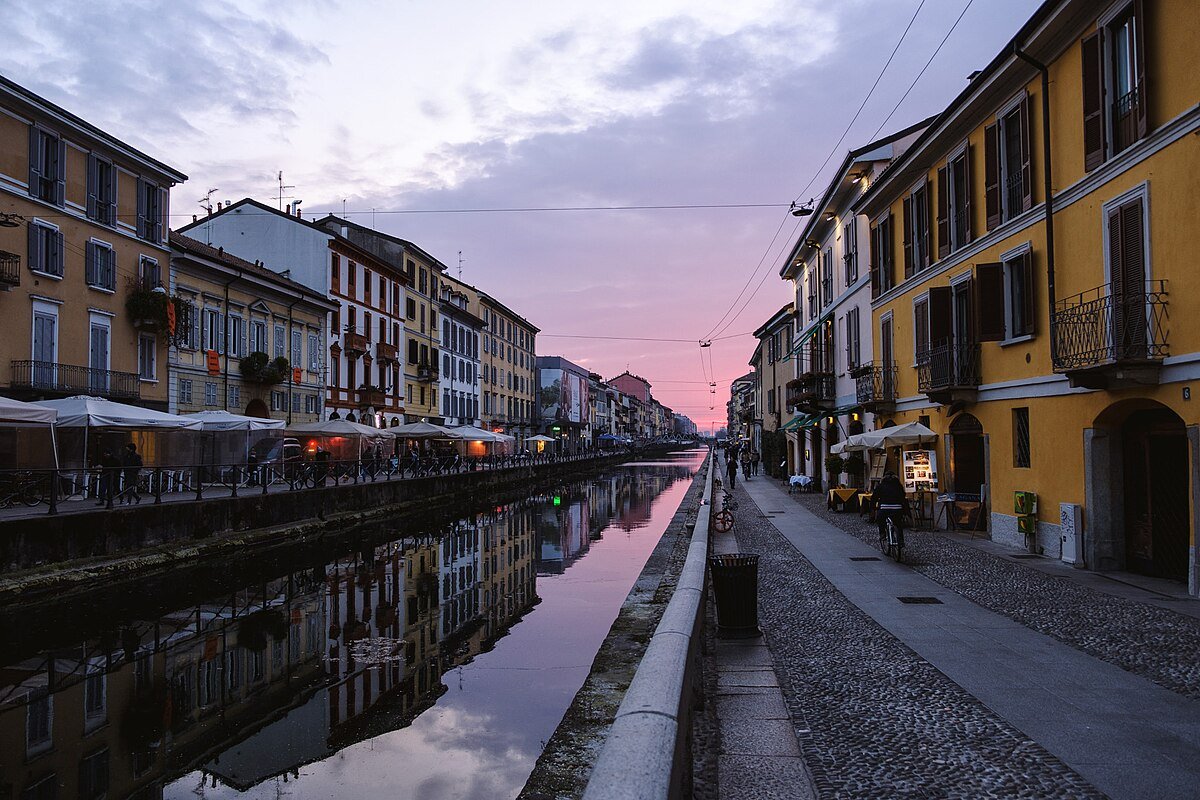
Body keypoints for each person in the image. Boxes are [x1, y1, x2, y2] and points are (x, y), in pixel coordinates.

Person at [873, 470, 907, 549]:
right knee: (898, 524)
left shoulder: (881, 486)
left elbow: (874, 497)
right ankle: (901, 540)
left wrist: (873, 508)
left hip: (884, 507)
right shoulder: (898, 486)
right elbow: (903, 496)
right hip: (897, 508)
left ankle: (882, 534)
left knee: (880, 520)